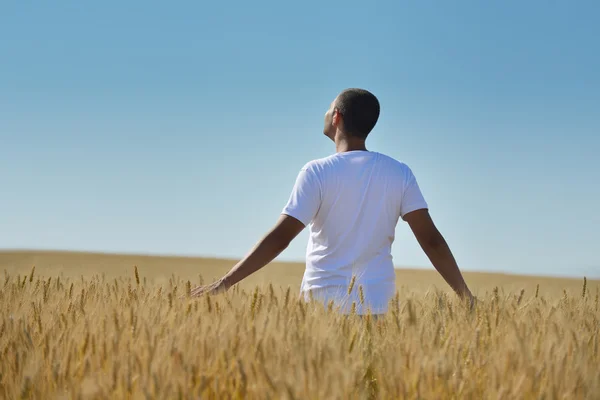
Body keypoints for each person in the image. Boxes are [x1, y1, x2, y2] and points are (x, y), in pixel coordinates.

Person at [190, 88, 474, 314]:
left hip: (320, 308)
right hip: (376, 307)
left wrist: (224, 284)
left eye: (328, 108)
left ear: (336, 117)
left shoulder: (316, 172)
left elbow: (279, 239)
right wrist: (466, 296)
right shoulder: (400, 173)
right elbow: (432, 241)